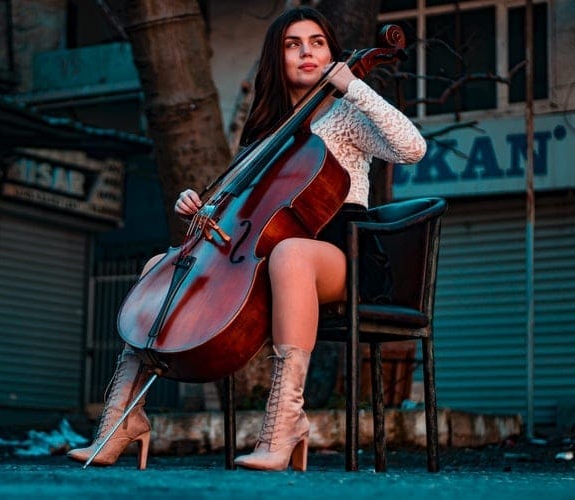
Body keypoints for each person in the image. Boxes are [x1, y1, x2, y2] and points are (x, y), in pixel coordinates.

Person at [67, 6, 426, 471]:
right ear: (277, 59)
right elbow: (241, 210)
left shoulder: (345, 117)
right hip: (274, 255)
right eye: (292, 44)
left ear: (333, 53)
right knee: (160, 264)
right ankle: (123, 418)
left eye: (317, 42)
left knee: (291, 253)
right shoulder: (263, 135)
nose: (306, 53)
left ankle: (285, 423)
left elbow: (412, 148)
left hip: (342, 253)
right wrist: (200, 206)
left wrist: (353, 86)